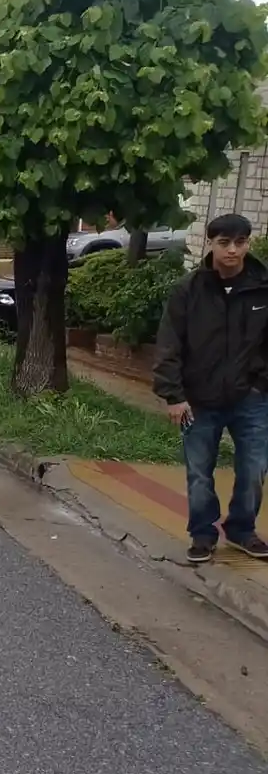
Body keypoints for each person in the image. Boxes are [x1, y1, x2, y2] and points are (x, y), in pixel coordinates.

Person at [153, 213, 268, 564]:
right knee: (199, 472)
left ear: (248, 243)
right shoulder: (188, 290)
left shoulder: (263, 288)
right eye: (224, 243)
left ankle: (241, 530)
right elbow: (169, 345)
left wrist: (261, 386)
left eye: (240, 242)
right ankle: (203, 535)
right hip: (197, 401)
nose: (232, 250)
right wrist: (174, 395)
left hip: (251, 399)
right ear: (210, 243)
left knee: (254, 469)